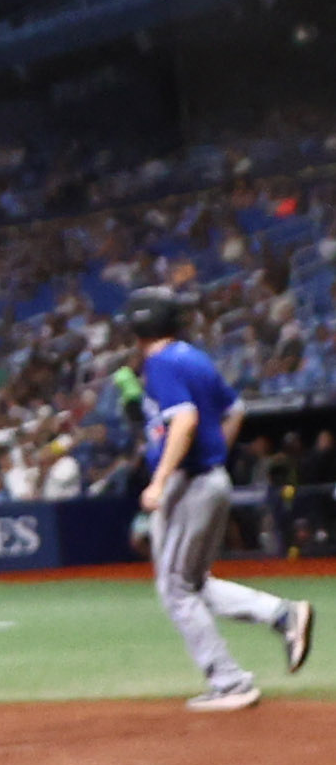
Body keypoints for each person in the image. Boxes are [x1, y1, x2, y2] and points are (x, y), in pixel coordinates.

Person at [126, 284, 314, 711]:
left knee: (175, 589)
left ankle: (230, 682)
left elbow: (185, 421)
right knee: (192, 583)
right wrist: (215, 458)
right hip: (210, 478)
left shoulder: (160, 362)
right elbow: (236, 411)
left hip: (190, 483)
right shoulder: (194, 356)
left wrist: (159, 480)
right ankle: (281, 615)